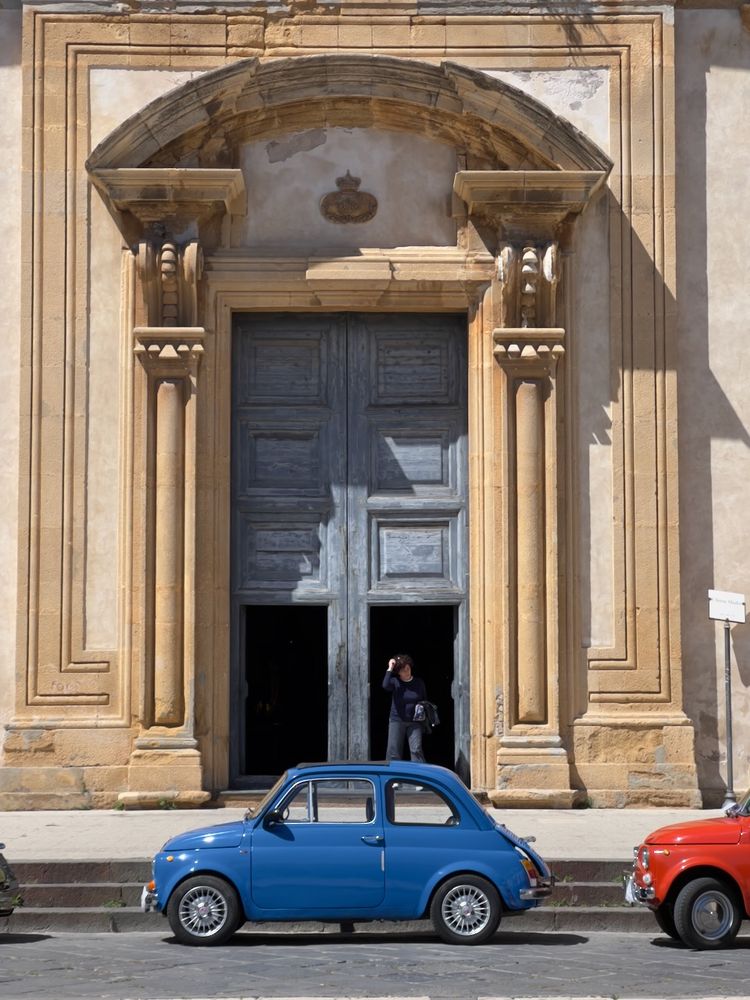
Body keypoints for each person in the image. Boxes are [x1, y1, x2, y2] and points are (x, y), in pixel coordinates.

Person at [382, 653, 427, 762]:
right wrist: (390, 667)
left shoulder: (419, 683)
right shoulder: (395, 682)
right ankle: (393, 777)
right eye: (402, 670)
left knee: (416, 750)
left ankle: (419, 775)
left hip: (415, 721)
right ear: (398, 673)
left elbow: (424, 699)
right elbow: (385, 685)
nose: (406, 672)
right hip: (397, 720)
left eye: (407, 668)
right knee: (394, 752)